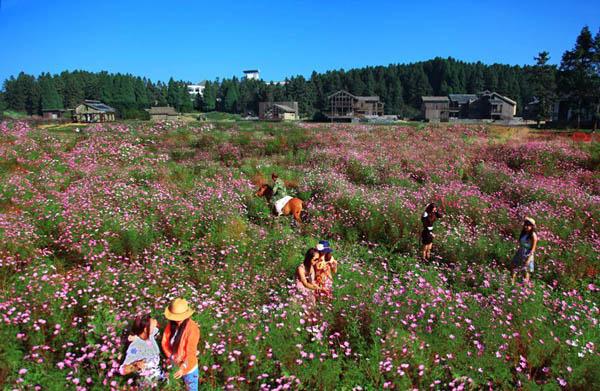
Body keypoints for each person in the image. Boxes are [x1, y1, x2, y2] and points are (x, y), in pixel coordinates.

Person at [162, 298, 201, 391]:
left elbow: (190, 353)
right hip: (174, 364)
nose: (177, 320)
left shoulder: (192, 329)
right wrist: (171, 357)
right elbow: (165, 343)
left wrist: (183, 367)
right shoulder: (171, 325)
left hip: (188, 367)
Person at [119, 314, 164, 388]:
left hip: (159, 374)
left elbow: (156, 323)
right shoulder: (135, 347)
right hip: (149, 382)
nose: (155, 326)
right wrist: (135, 365)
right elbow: (122, 370)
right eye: (153, 325)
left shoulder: (150, 334)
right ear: (146, 329)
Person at [511, 217, 539, 284]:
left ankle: (525, 287)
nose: (527, 226)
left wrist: (529, 259)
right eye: (526, 224)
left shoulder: (533, 235)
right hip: (520, 252)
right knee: (514, 266)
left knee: (526, 271)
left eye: (529, 225)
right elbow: (521, 244)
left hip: (527, 254)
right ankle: (512, 283)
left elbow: (533, 249)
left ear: (532, 227)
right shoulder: (524, 233)